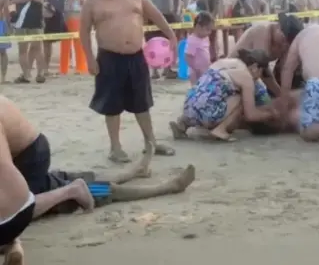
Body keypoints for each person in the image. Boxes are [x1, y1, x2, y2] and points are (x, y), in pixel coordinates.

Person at [0, 94, 195, 222]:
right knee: (62, 180)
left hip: (27, 155)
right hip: (28, 151)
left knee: (18, 208)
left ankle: (167, 187)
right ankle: (135, 171)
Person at [79, 0, 178, 163]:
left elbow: (156, 14)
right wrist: (89, 59)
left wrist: (171, 35)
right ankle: (115, 148)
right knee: (111, 104)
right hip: (108, 58)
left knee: (142, 102)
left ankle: (150, 142)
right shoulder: (92, 1)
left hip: (136, 56)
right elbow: (84, 31)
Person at [170, 49, 281, 141]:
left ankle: (182, 125)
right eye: (261, 74)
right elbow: (250, 115)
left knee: (206, 97)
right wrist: (271, 114)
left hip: (188, 107)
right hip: (207, 113)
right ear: (256, 67)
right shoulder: (246, 77)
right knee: (241, 99)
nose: (258, 78)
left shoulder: (226, 62)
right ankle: (220, 129)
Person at [229, 13, 305, 97]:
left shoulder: (285, 42)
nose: (285, 45)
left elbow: (286, 68)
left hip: (253, 73)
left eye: (288, 43)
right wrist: (281, 95)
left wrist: (285, 94)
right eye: (284, 40)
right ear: (278, 27)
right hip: (234, 73)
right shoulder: (261, 32)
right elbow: (263, 73)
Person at [141, 0, 180, 79]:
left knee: (152, 42)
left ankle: (154, 71)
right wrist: (175, 12)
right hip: (164, 15)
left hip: (149, 16)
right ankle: (167, 69)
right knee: (168, 42)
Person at [10, 0, 46, 84]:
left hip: (35, 20)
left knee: (37, 48)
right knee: (22, 50)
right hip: (21, 22)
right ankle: (26, 75)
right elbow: (14, 0)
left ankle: (41, 74)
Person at [60, 0, 88, 74]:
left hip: (77, 23)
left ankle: (81, 68)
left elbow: (89, 9)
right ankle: (63, 69)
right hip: (65, 24)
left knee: (79, 47)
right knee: (64, 47)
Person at [41, 0, 66, 76]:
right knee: (46, 46)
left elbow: (53, 9)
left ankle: (44, 69)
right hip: (51, 21)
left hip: (46, 21)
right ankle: (44, 69)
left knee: (44, 46)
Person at [185, 11, 214, 85]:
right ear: (198, 27)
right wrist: (195, 68)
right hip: (195, 73)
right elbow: (188, 56)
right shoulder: (192, 40)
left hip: (205, 69)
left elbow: (206, 51)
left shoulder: (205, 38)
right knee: (196, 89)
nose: (209, 32)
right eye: (207, 29)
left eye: (210, 30)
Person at [0, 0, 10, 83]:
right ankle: (3, 77)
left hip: (1, 23)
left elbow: (7, 10)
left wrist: (8, 25)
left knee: (2, 52)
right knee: (3, 52)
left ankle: (3, 77)